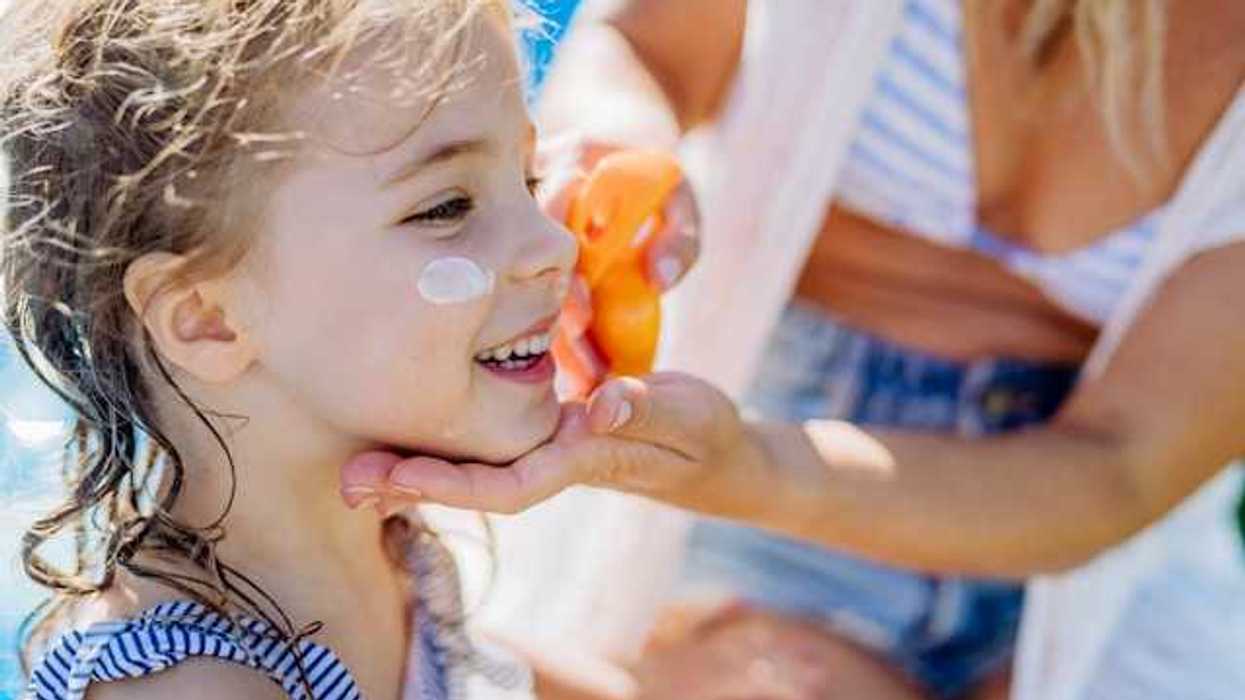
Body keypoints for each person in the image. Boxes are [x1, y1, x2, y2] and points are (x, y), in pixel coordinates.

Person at [343, 0, 1245, 697]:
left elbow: (1116, 470)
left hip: (1086, 554)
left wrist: (744, 464)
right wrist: (618, 153)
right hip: (760, 432)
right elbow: (642, 50)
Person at [0, 1, 639, 697]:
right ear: (208, 319)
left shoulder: (390, 549)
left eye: (529, 180)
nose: (555, 245)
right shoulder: (193, 684)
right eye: (445, 208)